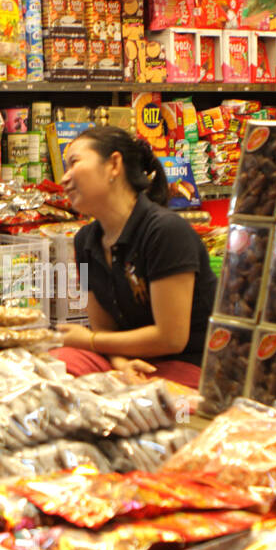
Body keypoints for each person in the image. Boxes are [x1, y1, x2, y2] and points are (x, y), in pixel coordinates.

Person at [51, 125, 216, 388]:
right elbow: (103, 328)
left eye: (74, 163)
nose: (64, 178)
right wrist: (120, 363)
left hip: (186, 362)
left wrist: (90, 341)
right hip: (124, 358)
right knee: (55, 370)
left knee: (158, 405)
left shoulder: (165, 231)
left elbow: (171, 338)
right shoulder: (85, 241)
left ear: (114, 164)